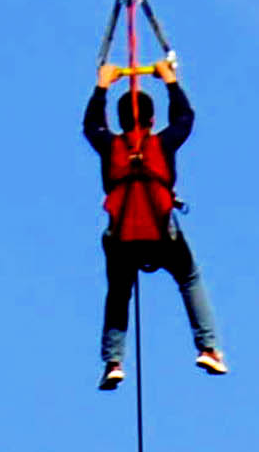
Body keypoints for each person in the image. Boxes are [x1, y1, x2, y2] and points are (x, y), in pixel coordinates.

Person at [89, 21, 221, 389]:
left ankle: (113, 359)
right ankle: (208, 347)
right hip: (161, 232)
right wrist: (170, 81)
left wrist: (101, 86)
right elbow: (185, 119)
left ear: (121, 120)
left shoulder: (110, 146)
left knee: (118, 292)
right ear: (150, 119)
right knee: (189, 278)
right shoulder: (161, 144)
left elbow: (91, 126)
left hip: (123, 237)